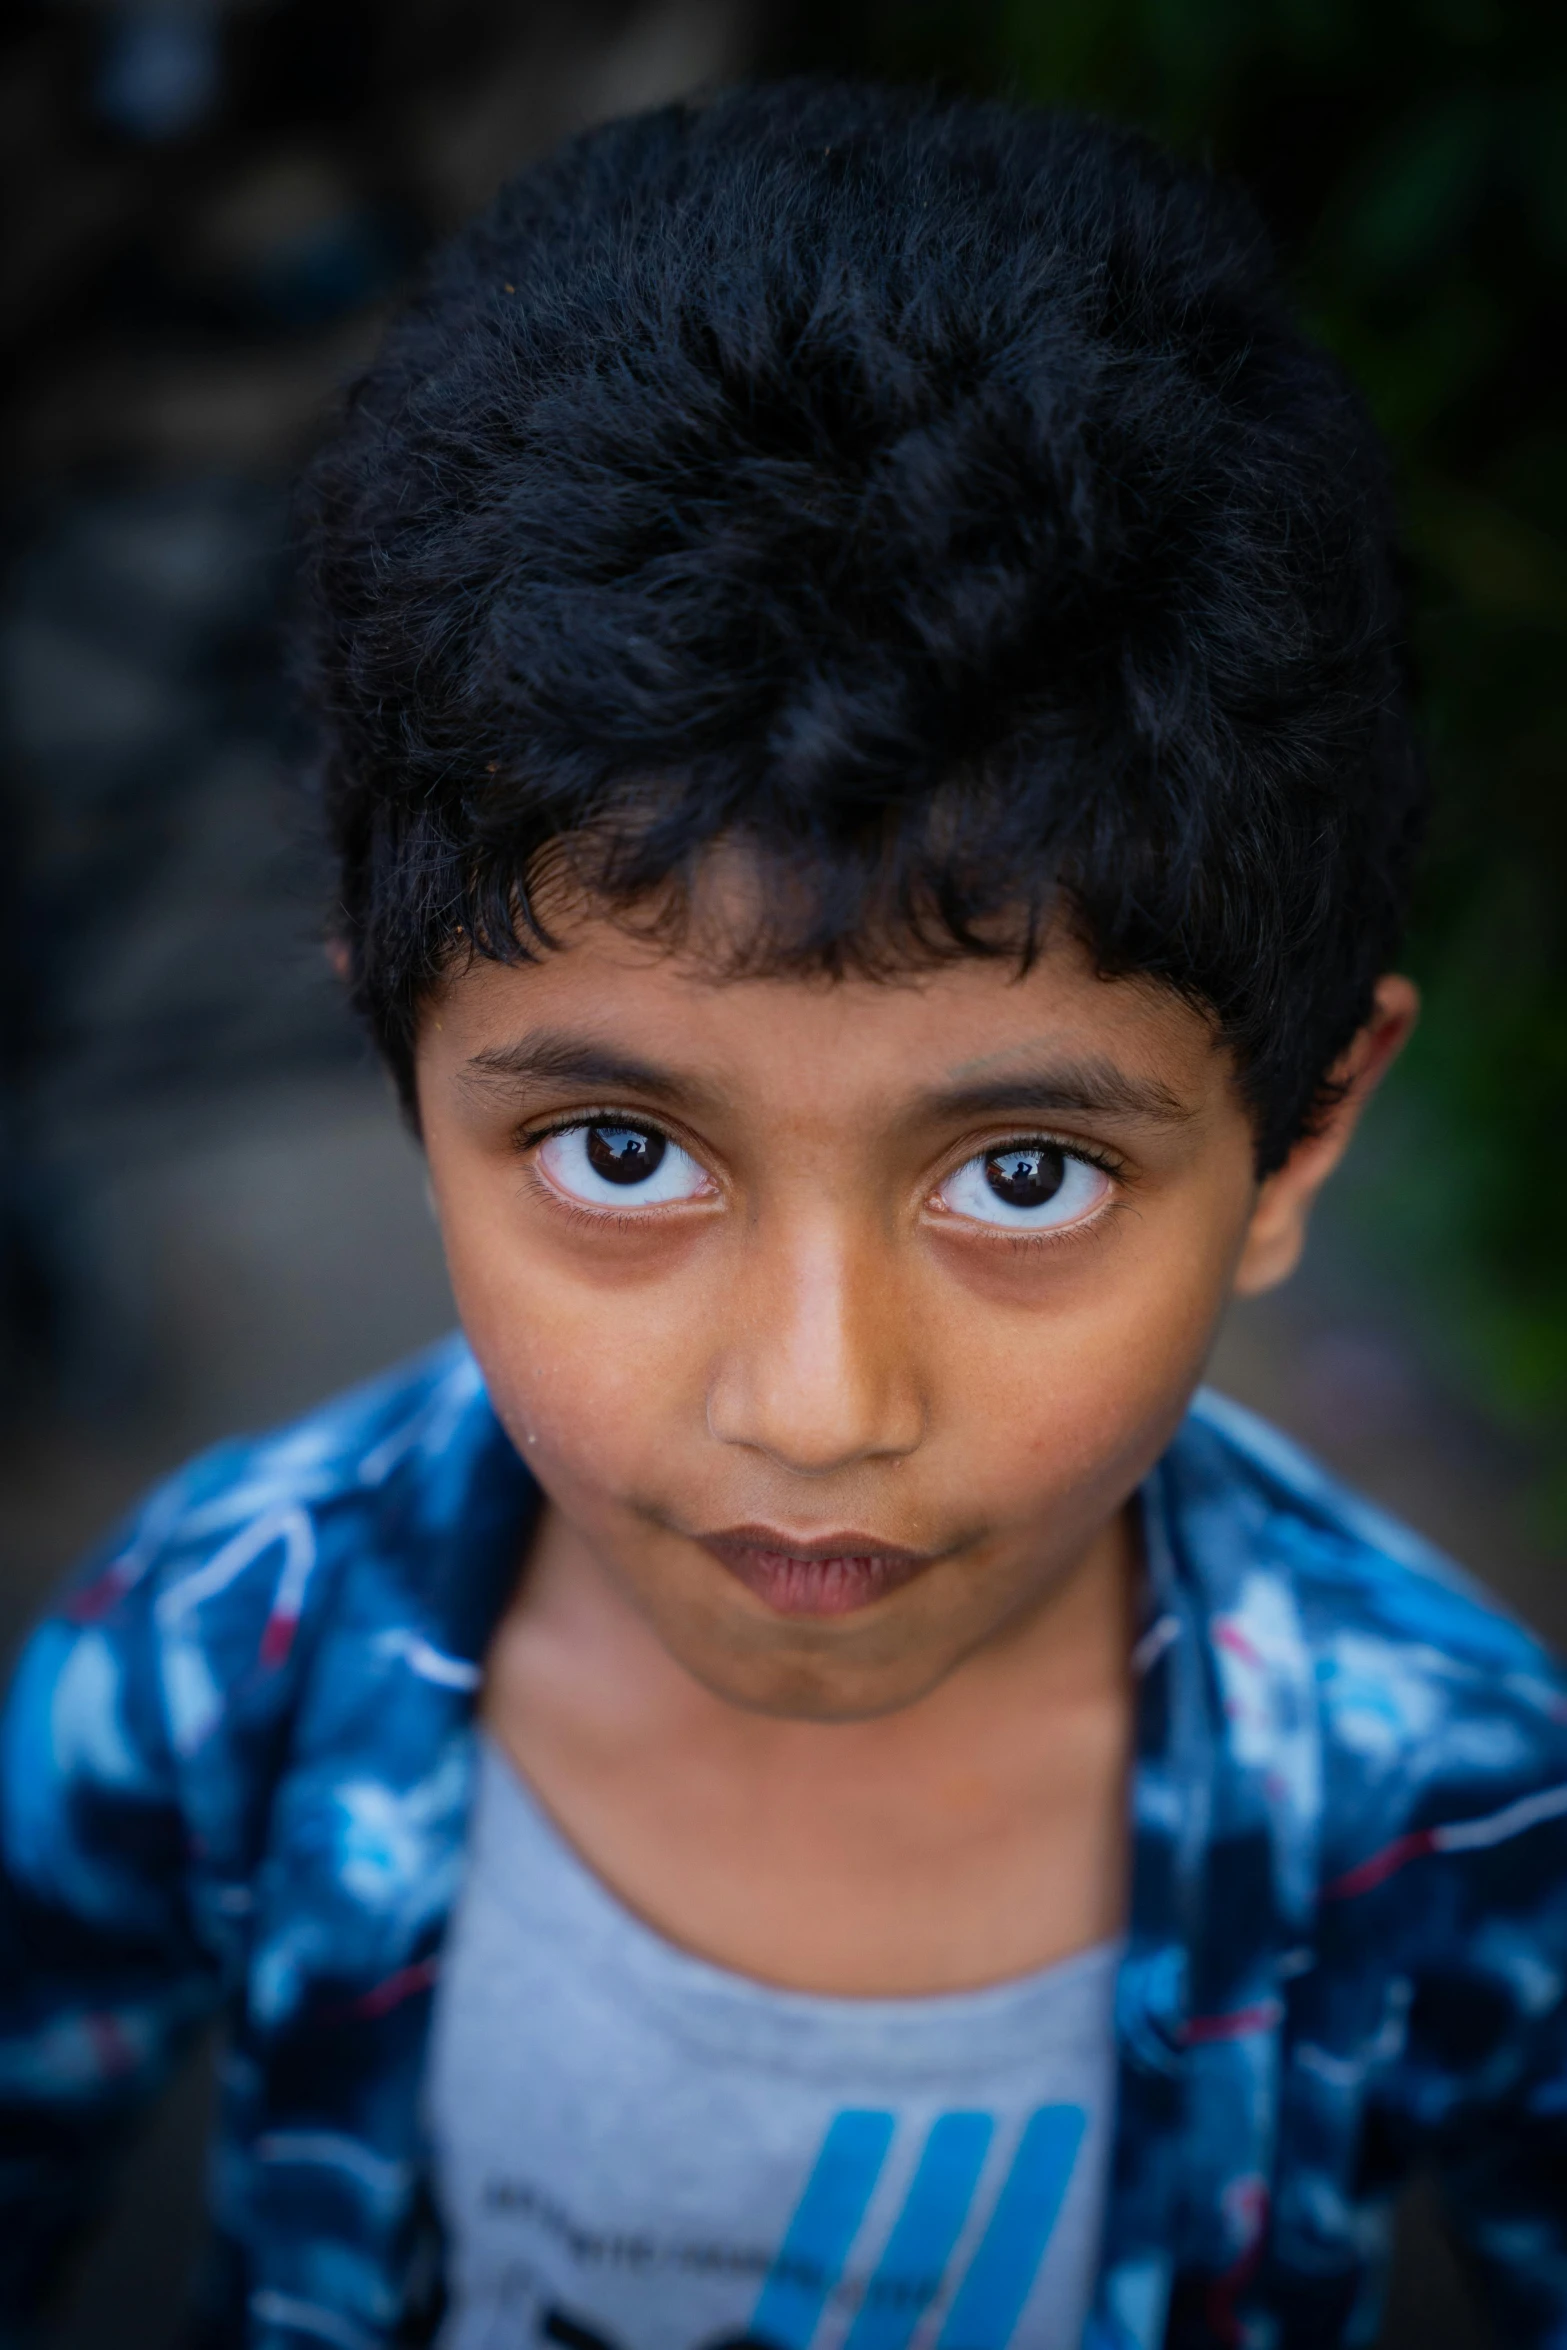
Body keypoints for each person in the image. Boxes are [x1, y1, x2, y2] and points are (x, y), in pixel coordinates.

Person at [2, 79, 1563, 2350]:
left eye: (1025, 1175)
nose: (815, 1401)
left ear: (1303, 1141)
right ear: (399, 1073)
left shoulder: (1454, 1805)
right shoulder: (203, 1661)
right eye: (622, 1152)